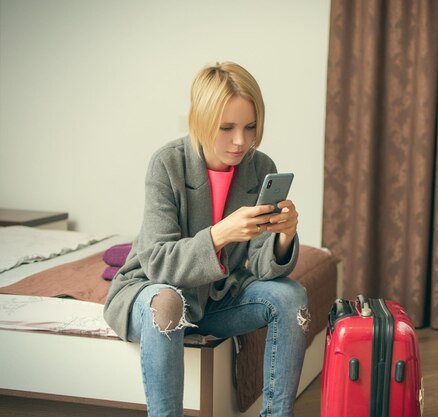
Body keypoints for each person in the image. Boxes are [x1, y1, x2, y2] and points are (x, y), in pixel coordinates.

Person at [103, 62, 309, 417]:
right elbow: (157, 262)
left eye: (250, 126)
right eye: (226, 128)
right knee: (167, 303)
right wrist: (220, 234)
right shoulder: (167, 163)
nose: (240, 141)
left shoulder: (260, 167)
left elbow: (262, 266)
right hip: (154, 293)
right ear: (199, 119)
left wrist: (284, 237)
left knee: (291, 296)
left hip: (216, 299)